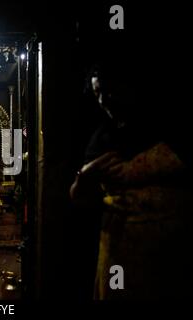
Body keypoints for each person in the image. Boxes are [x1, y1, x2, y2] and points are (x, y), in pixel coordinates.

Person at [70, 62, 193, 299]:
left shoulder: (168, 124)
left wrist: (135, 170)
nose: (104, 100)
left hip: (172, 249)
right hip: (120, 248)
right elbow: (80, 197)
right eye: (98, 93)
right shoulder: (102, 137)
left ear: (129, 87)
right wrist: (84, 178)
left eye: (109, 90)